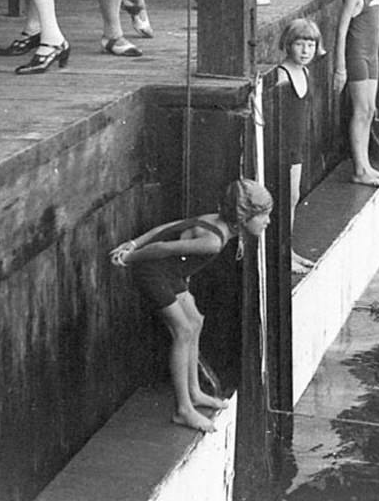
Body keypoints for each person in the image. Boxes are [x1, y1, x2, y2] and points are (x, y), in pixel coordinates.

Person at [109, 179, 273, 433]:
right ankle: (183, 410)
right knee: (183, 331)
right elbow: (163, 247)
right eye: (263, 216)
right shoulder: (213, 242)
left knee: (196, 321)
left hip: (170, 272)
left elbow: (169, 227)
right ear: (244, 217)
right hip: (153, 272)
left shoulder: (217, 220)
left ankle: (195, 392)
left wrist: (134, 241)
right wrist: (130, 256)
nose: (267, 222)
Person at [333, 0, 379, 186]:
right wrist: (340, 67)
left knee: (369, 110)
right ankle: (358, 169)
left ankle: (366, 165)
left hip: (372, 56)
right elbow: (341, 30)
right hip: (356, 56)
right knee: (360, 110)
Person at [270, 18, 321, 274]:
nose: (305, 51)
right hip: (283, 147)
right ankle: (282, 253)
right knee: (284, 200)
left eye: (310, 45)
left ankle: (288, 249)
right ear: (288, 45)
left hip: (297, 146)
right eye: (300, 44)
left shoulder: (306, 72)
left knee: (293, 198)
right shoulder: (282, 75)